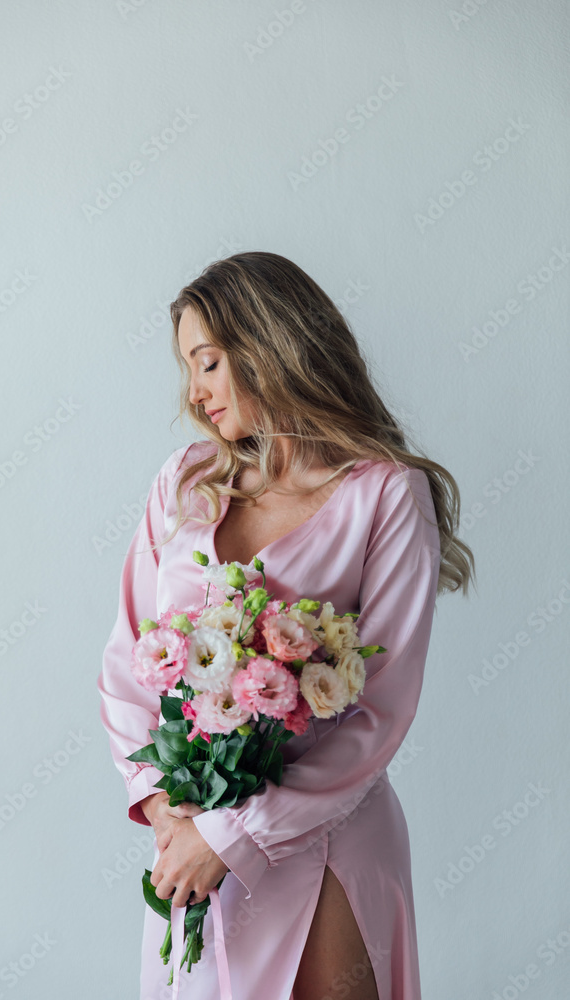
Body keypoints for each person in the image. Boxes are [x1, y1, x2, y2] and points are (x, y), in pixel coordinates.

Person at [97, 251, 475, 1000]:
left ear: (268, 345)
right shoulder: (184, 481)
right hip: (189, 845)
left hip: (325, 845)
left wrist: (231, 835)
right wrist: (169, 807)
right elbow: (127, 654)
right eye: (188, 368)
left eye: (207, 363)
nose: (195, 392)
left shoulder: (387, 495)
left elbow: (379, 711)